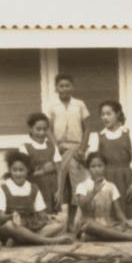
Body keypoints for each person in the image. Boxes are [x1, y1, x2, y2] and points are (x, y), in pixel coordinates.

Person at [0, 151, 70, 246]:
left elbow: (41, 213)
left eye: (21, 170)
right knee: (9, 225)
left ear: (27, 170)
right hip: (12, 226)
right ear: (10, 170)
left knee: (60, 224)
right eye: (14, 170)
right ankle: (47, 241)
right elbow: (1, 217)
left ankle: (22, 241)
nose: (18, 173)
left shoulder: (33, 188)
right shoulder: (2, 188)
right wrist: (12, 216)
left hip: (30, 226)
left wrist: (49, 217)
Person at [85, 100, 132, 220]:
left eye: (108, 114)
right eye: (102, 114)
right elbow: (89, 161)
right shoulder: (99, 136)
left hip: (125, 178)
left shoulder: (128, 134)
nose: (105, 117)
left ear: (117, 114)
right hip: (106, 179)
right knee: (107, 216)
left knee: (125, 217)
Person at [46, 74, 90, 230]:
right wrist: (55, 147)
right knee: (61, 185)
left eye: (67, 85)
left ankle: (71, 222)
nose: (64, 88)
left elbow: (87, 128)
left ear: (72, 87)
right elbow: (48, 129)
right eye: (61, 86)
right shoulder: (52, 106)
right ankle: (58, 222)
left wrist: (82, 149)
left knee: (74, 186)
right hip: (59, 148)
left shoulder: (79, 105)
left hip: (76, 148)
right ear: (56, 88)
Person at [75, 153, 132, 242]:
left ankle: (96, 237)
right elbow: (82, 205)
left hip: (107, 224)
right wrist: (93, 192)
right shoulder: (82, 186)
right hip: (88, 225)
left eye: (100, 166)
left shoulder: (111, 186)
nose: (97, 169)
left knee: (126, 228)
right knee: (91, 225)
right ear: (88, 169)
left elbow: (118, 211)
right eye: (93, 166)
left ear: (105, 167)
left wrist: (125, 223)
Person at [19, 112, 62, 214]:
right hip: (36, 188)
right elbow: (24, 174)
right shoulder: (25, 148)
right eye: (38, 129)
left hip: (52, 189)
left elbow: (60, 171)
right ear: (30, 129)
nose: (42, 133)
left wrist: (59, 191)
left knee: (52, 216)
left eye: (45, 129)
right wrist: (43, 170)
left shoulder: (52, 146)